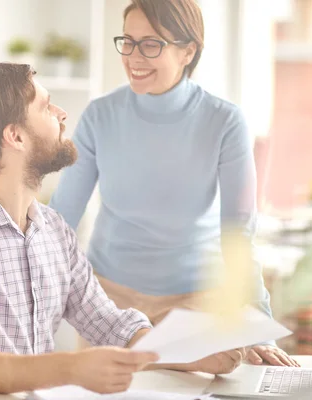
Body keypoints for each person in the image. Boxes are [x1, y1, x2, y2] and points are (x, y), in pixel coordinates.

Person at [0, 63, 247, 394]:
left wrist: (198, 354)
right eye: (45, 106)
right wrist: (72, 368)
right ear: (15, 136)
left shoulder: (53, 230)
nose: (61, 113)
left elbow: (112, 326)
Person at [48, 0, 299, 368]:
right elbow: (60, 219)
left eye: (151, 44)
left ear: (188, 51)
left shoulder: (224, 123)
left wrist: (258, 327)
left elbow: (237, 234)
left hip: (195, 306)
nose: (134, 56)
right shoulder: (100, 116)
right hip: (110, 305)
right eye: (128, 42)